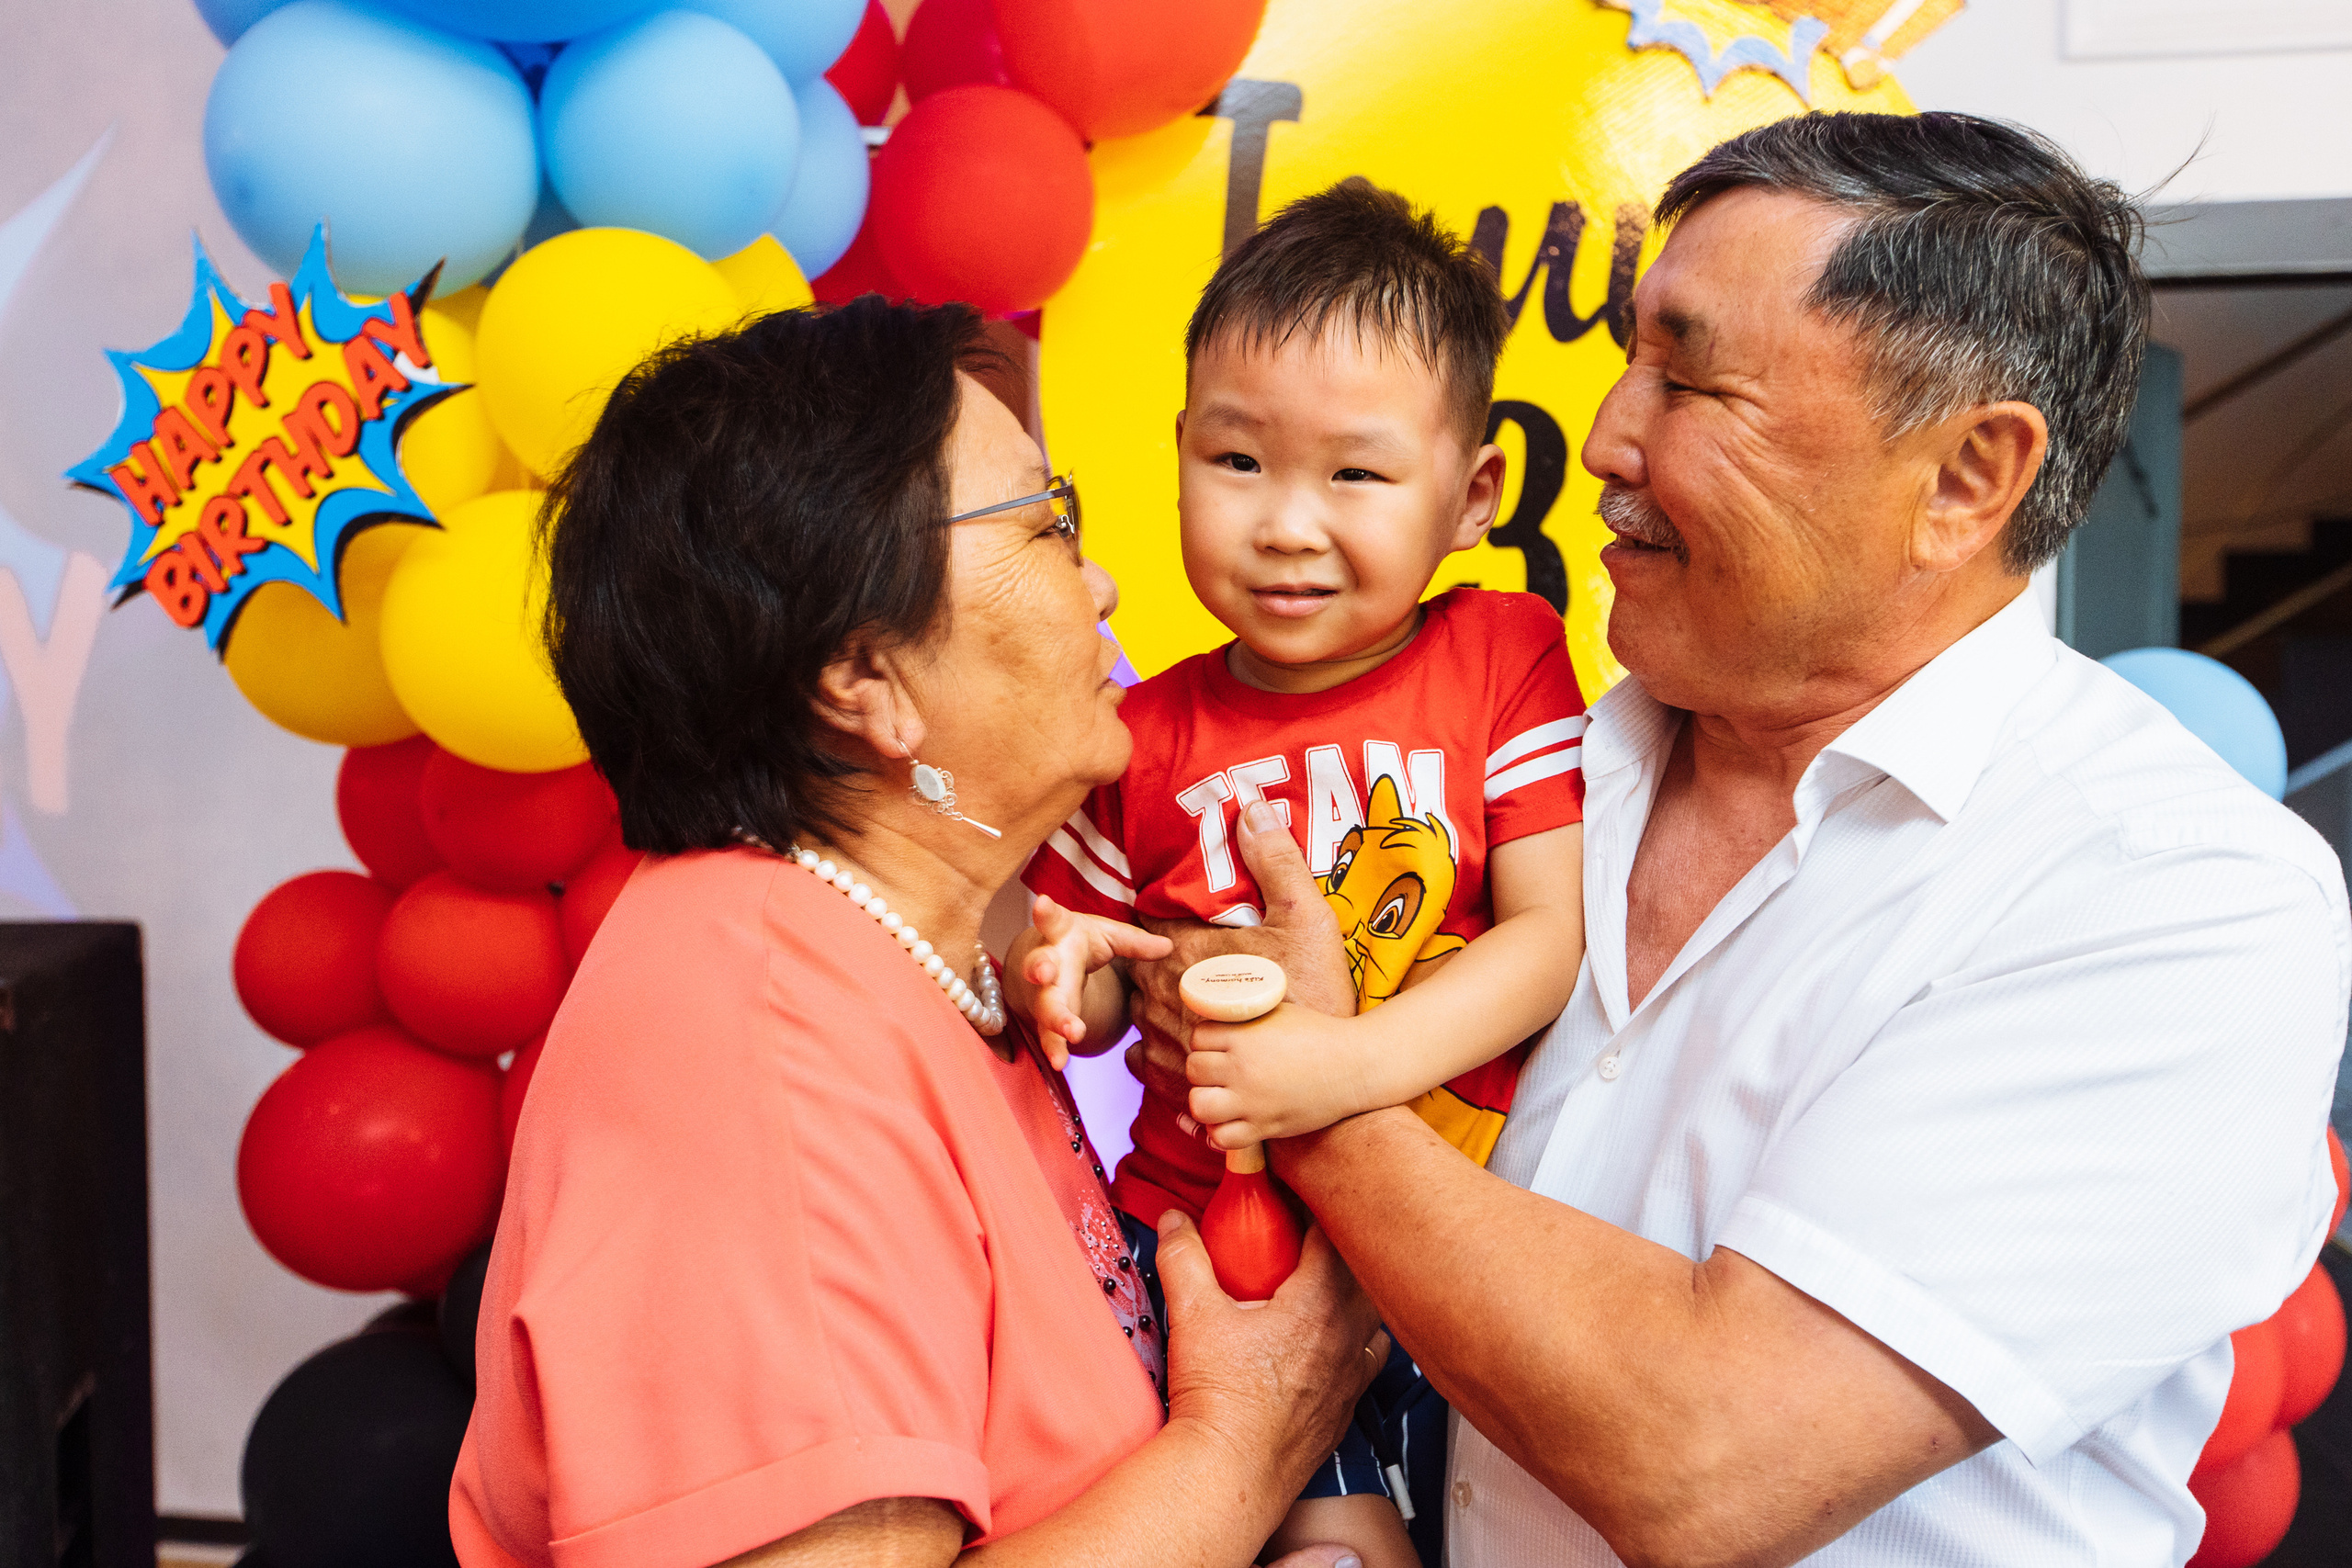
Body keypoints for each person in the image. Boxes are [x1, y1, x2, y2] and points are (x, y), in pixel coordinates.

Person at [1127, 112, 2352, 1566]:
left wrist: (1303, 1086)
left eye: (1694, 381)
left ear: (1966, 478)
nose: (1604, 439)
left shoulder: (2170, 893)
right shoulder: (1533, 770)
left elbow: (1712, 1462)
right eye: (1629, 358)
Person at [447, 297, 1390, 1568]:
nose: (1100, 579)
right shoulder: (757, 1046)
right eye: (1049, 525)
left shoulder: (925, 959)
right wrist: (1247, 1439)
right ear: (867, 681)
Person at [1008, 180, 1588, 1568]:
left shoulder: (1503, 655)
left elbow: (1546, 941)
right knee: (1337, 1549)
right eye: (1240, 462)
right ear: (1179, 459)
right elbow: (1089, 997)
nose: (1285, 524)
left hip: (1463, 1231)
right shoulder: (1136, 734)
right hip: (1220, 1246)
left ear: (1475, 496)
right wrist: (1072, 973)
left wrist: (1342, 1068)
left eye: (1357, 475)